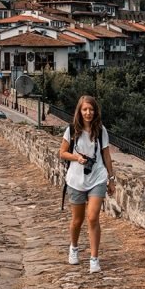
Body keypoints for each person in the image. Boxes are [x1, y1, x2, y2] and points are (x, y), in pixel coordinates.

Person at [58, 95, 116, 274]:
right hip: (76, 179)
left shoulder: (100, 130)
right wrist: (76, 157)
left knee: (92, 217)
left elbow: (106, 155)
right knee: (77, 220)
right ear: (80, 111)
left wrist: (111, 179)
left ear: (95, 111)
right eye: (85, 109)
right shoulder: (72, 130)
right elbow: (62, 153)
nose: (88, 113)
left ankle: (94, 258)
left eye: (91, 109)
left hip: (97, 177)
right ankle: (74, 247)